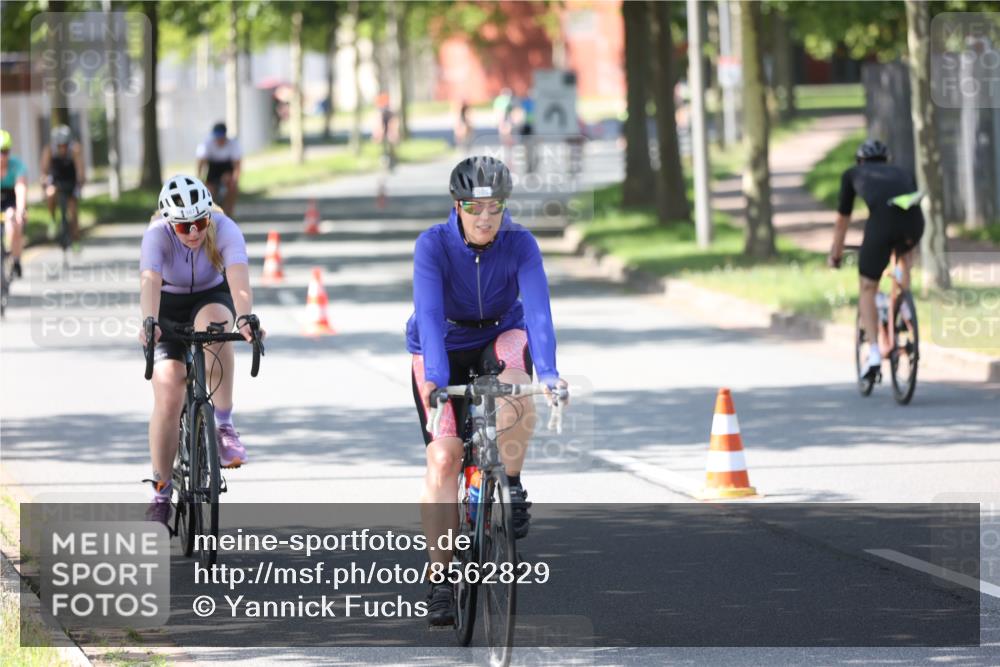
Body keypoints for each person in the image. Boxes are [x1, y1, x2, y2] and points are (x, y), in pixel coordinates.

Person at [406, 155, 568, 626]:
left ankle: (510, 485)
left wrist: (552, 373)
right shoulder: (432, 245)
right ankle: (440, 578)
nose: (484, 218)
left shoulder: (520, 243)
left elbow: (537, 312)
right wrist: (436, 378)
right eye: (474, 208)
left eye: (494, 207)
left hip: (500, 332)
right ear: (457, 206)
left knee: (518, 387)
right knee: (444, 457)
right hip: (442, 343)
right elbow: (430, 317)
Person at [138, 174, 261, 525]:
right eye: (184, 227)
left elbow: (238, 278)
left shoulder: (225, 229)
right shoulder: (156, 236)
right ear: (169, 223)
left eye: (200, 222)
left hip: (210, 297)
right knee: (169, 386)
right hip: (168, 305)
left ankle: (223, 425)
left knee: (217, 328)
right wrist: (149, 322)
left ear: (209, 215)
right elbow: (149, 283)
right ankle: (160, 492)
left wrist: (246, 319)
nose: (193, 232)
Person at [828, 139, 924, 381]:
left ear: (860, 161)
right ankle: (903, 301)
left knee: (868, 287)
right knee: (903, 255)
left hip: (881, 226)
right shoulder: (903, 172)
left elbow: (842, 222)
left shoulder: (852, 174)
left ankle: (873, 353)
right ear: (887, 161)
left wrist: (835, 254)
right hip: (914, 223)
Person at [40, 124, 85, 247]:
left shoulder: (75, 150)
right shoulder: (49, 150)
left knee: (73, 211)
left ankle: (75, 240)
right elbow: (44, 170)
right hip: (56, 181)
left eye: (65, 145)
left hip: (71, 182)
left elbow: (80, 170)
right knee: (50, 193)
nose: (63, 148)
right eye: (60, 145)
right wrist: (44, 182)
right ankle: (52, 219)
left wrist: (80, 185)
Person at [196, 122, 242, 215]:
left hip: (227, 171)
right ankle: (209, 214)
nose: (219, 140)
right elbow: (201, 163)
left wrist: (235, 180)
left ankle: (229, 214)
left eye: (221, 137)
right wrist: (200, 179)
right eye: (217, 137)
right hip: (213, 171)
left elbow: (237, 166)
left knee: (232, 189)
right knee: (208, 192)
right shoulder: (207, 145)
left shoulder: (233, 144)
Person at [0, 129, 28, 278]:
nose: (1, 157)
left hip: (11, 201)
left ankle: (15, 260)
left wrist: (20, 210)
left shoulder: (17, 166)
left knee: (13, 222)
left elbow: (20, 189)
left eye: (4, 152)